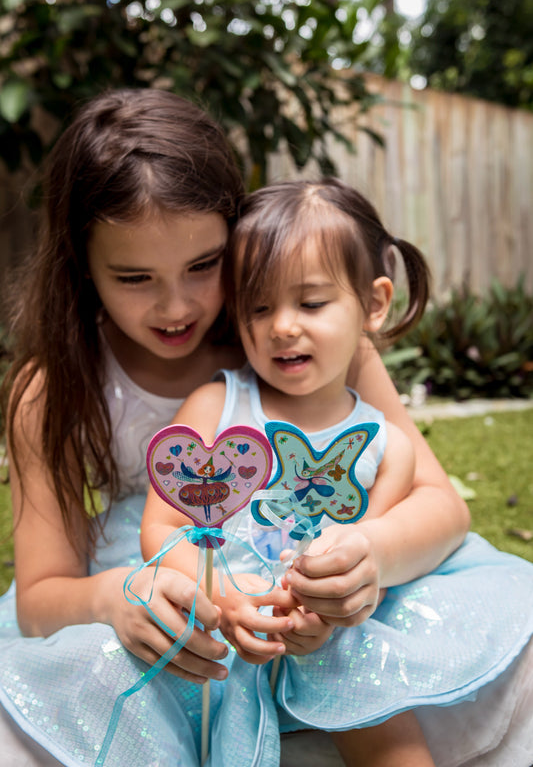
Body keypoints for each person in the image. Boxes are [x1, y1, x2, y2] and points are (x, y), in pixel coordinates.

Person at [0, 86, 473, 766]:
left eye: (204, 265)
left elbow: (442, 506)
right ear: (82, 267)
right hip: (168, 605)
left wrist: (369, 554)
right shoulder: (51, 391)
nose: (175, 306)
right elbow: (40, 600)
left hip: (313, 604)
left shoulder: (296, 349)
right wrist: (116, 598)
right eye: (134, 277)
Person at [141, 178, 533, 767]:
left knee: (376, 712)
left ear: (374, 304)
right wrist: (222, 600)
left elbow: (364, 543)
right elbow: (164, 528)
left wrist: (329, 602)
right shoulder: (214, 409)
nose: (282, 327)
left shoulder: (385, 444)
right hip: (230, 619)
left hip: (336, 634)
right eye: (260, 306)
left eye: (312, 303)